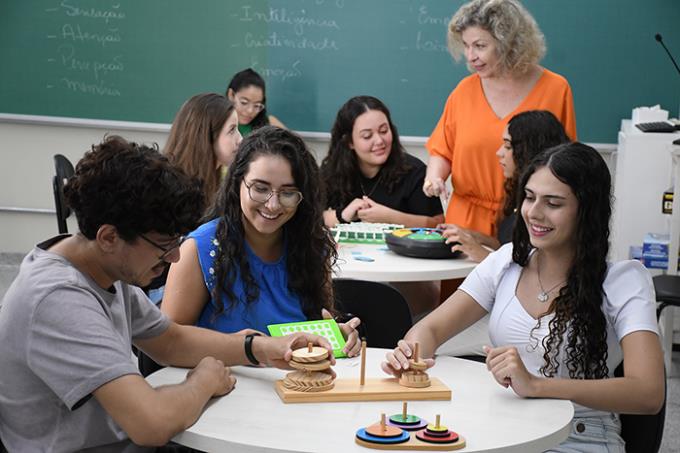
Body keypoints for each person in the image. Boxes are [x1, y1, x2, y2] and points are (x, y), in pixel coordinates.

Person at [0, 136, 334, 451]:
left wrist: (260, 347)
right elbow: (152, 423)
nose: (174, 257)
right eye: (163, 246)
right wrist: (203, 381)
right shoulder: (58, 298)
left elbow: (170, 341)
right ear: (108, 237)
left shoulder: (103, 270)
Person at [384, 142, 664, 452]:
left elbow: (648, 393)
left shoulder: (623, 281)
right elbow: (430, 329)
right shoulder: (505, 263)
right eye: (530, 198)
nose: (535, 212)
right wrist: (412, 353)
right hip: (504, 430)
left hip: (580, 437)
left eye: (553, 203)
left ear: (587, 209)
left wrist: (537, 385)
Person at [162, 126, 361, 357]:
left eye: (288, 193)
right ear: (237, 183)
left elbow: (313, 327)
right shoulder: (201, 249)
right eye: (260, 188)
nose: (273, 204)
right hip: (225, 385)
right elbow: (168, 343)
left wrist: (335, 334)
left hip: (295, 385)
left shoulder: (313, 248)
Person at [424, 0, 577, 239]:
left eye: (480, 46)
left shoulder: (555, 89)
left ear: (509, 44)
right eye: (465, 45)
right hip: (466, 220)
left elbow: (565, 165)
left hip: (528, 218)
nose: (470, 56)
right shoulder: (464, 91)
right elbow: (443, 150)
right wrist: (434, 178)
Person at [441, 110, 570, 262]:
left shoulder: (542, 203)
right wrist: (475, 237)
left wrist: (480, 253)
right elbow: (510, 248)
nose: (499, 152)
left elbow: (529, 268)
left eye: (508, 147)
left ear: (528, 150)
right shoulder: (518, 191)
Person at [320, 95, 444, 228]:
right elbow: (309, 218)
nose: (379, 141)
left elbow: (438, 224)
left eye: (384, 131)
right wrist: (342, 215)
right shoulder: (332, 172)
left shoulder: (414, 171)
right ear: (349, 142)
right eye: (367, 136)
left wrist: (390, 217)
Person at [164, 93, 242, 208]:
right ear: (205, 137)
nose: (240, 139)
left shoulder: (219, 183)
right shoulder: (175, 194)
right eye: (232, 130)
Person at [226, 68, 286, 137]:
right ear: (231, 95)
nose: (250, 111)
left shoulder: (270, 123)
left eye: (257, 105)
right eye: (244, 103)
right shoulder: (217, 123)